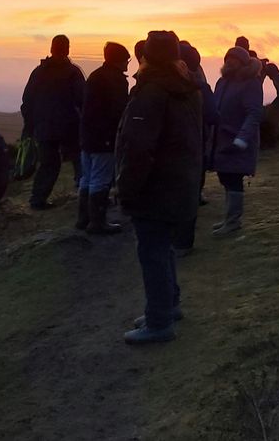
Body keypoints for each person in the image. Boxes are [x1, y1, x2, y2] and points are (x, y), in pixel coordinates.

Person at [116, 31, 204, 344]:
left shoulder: (151, 92)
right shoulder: (188, 88)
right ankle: (168, 305)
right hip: (181, 181)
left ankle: (158, 321)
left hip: (156, 186)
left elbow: (138, 147)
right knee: (162, 247)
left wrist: (126, 188)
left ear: (147, 56)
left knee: (152, 251)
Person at [20, 35, 85, 210]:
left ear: (51, 49)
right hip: (69, 126)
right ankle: (85, 195)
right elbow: (82, 99)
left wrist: (30, 124)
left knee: (49, 163)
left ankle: (37, 200)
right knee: (79, 159)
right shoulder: (73, 72)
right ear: (68, 49)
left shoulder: (39, 72)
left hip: (43, 127)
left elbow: (27, 100)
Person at [208, 48, 264, 237]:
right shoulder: (222, 82)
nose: (230, 62)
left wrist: (242, 139)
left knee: (233, 179)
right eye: (227, 59)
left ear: (243, 62)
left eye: (234, 59)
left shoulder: (250, 83)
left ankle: (233, 222)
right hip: (222, 139)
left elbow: (254, 113)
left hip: (237, 139)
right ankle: (229, 219)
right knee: (225, 178)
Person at [77, 42, 131, 235]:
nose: (128, 63)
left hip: (87, 136)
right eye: (126, 59)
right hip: (104, 138)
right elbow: (119, 111)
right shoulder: (116, 80)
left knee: (87, 178)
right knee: (100, 178)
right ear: (118, 60)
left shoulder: (95, 76)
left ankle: (83, 218)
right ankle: (98, 222)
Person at [174, 41, 215, 255]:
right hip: (194, 143)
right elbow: (213, 115)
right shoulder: (200, 86)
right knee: (189, 190)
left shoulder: (154, 85)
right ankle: (183, 243)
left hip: (169, 148)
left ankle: (172, 239)